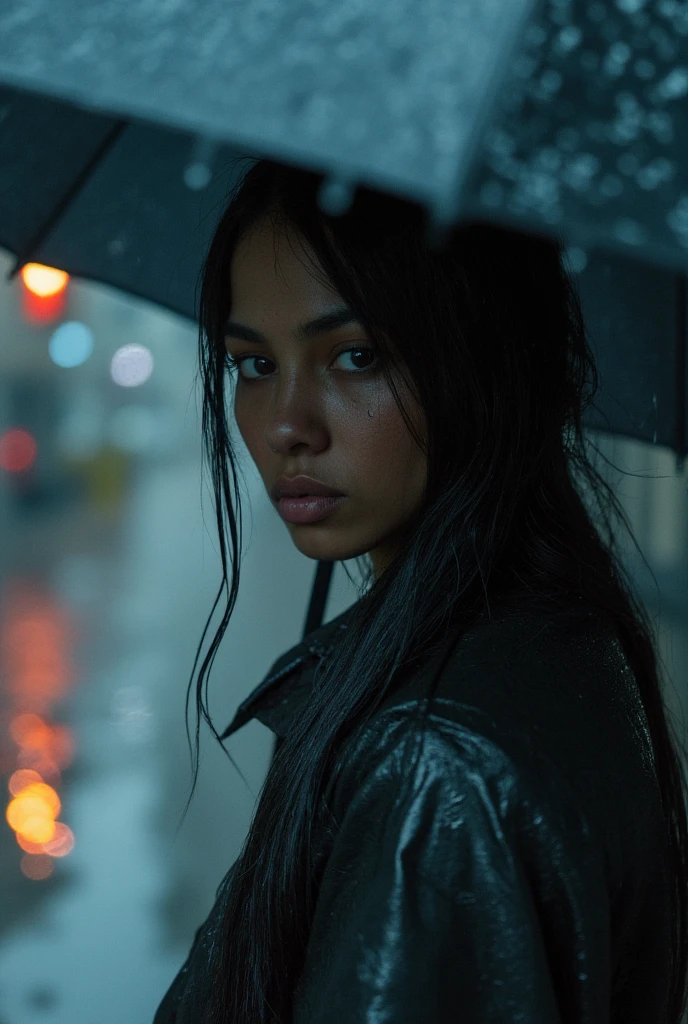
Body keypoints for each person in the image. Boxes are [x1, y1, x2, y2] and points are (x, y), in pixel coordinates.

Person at [153, 158, 688, 1024]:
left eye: (356, 355)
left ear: (484, 356)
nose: (287, 423)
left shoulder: (435, 764)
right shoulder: (554, 637)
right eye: (252, 365)